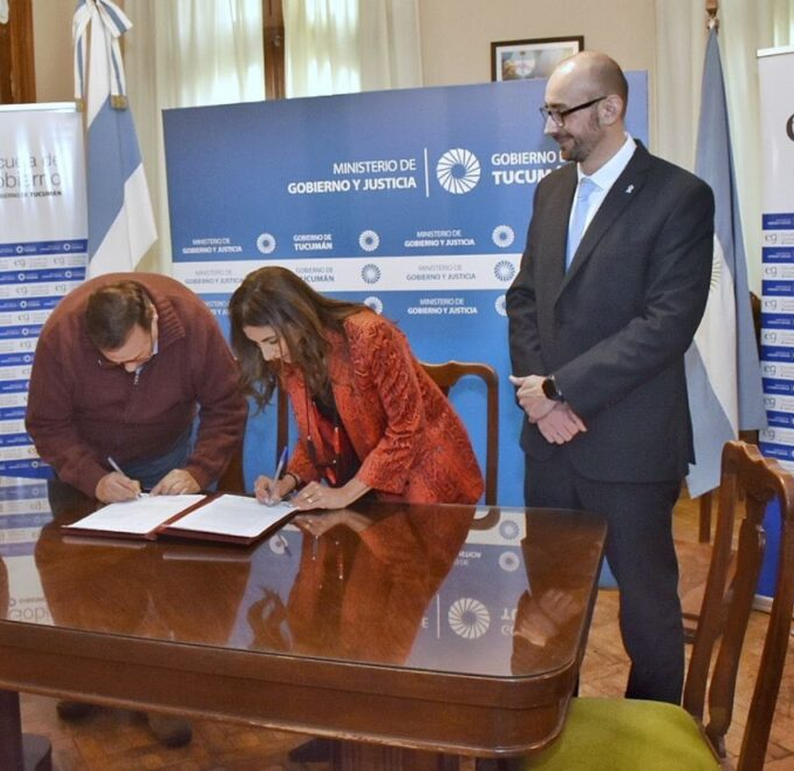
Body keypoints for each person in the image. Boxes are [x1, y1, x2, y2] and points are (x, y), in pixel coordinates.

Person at [505, 51, 714, 705]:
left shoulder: (680, 197)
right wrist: (540, 401)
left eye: (560, 114)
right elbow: (524, 300)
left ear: (610, 109)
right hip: (550, 446)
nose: (550, 129)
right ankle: (547, 724)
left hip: (630, 450)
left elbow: (665, 325)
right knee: (549, 604)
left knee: (648, 614)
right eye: (546, 113)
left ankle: (657, 731)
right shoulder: (551, 192)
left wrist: (561, 390)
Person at [25, 272, 247, 746]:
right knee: (79, 578)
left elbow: (226, 406)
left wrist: (198, 470)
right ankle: (88, 682)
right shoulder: (62, 335)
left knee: (166, 581)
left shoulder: (191, 322)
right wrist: (93, 478)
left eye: (139, 358)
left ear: (152, 319)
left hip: (166, 456)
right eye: (115, 363)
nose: (129, 370)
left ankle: (161, 694)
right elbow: (47, 424)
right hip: (84, 462)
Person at [229, 266, 484, 512]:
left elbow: (407, 428)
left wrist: (345, 494)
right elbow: (316, 436)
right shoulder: (291, 357)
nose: (268, 354)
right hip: (361, 496)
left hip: (425, 489)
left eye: (272, 340)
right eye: (258, 344)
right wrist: (288, 481)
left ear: (297, 317)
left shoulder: (369, 335)